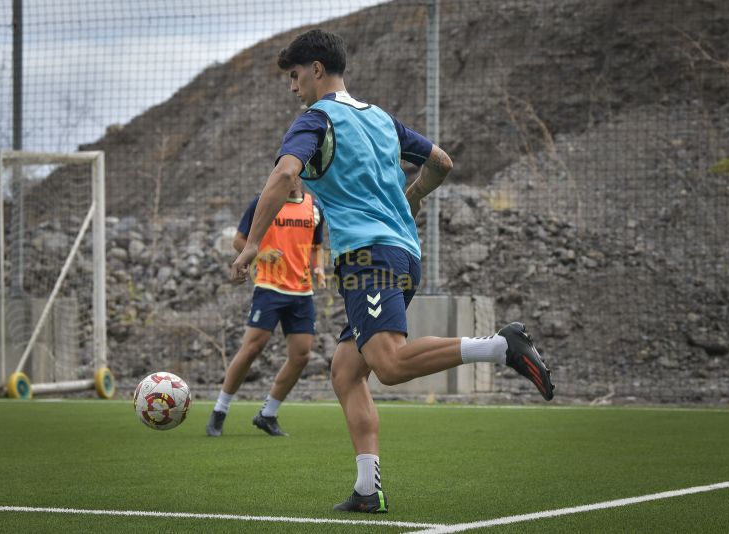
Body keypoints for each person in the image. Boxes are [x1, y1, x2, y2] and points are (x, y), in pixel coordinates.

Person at [230, 29, 554, 512]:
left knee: (390, 364)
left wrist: (252, 244)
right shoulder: (381, 118)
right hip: (404, 253)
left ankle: (501, 346)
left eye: (295, 77)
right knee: (345, 371)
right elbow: (441, 162)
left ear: (316, 70)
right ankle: (367, 489)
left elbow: (283, 175)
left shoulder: (315, 120)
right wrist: (413, 196)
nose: (293, 88)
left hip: (368, 256)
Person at [207, 176, 326, 437]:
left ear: (301, 176)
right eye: (285, 172)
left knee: (302, 355)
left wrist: (318, 267)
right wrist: (262, 253)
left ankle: (268, 414)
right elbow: (239, 241)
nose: (290, 177)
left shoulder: (315, 207)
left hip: (302, 292)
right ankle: (219, 410)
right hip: (270, 288)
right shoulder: (263, 203)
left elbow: (316, 246)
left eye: (295, 172)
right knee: (252, 348)